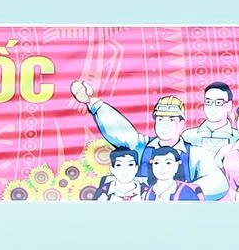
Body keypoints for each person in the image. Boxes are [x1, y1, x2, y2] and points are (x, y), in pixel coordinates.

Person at [72, 83, 221, 196]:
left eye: (171, 120)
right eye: (160, 119)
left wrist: (182, 192)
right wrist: (92, 101)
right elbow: (119, 130)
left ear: (182, 123)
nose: (164, 125)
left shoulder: (195, 154)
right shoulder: (142, 146)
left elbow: (219, 183)